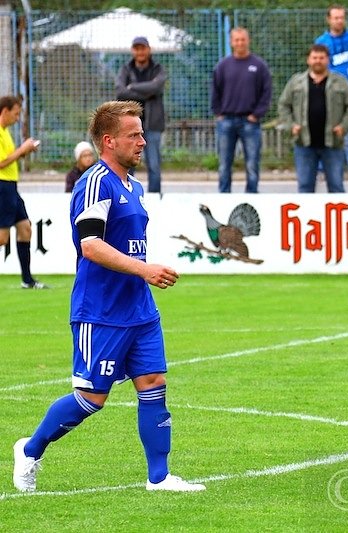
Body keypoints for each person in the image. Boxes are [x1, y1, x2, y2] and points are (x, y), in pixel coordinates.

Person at [12, 100, 205, 493]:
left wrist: (143, 275)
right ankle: (30, 449)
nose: (142, 141)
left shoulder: (134, 186)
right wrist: (145, 270)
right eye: (133, 135)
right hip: (100, 310)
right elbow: (91, 246)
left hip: (139, 309)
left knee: (153, 382)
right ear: (108, 141)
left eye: (142, 133)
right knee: (90, 399)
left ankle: (159, 477)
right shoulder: (94, 182)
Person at [278, 44, 348, 193]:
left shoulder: (340, 82)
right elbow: (283, 105)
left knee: (336, 186)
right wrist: (291, 125)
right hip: (304, 143)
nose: (318, 61)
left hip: (333, 143)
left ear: (328, 60)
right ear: (308, 60)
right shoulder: (296, 82)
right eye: (314, 58)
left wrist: (344, 127)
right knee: (305, 187)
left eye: (321, 58)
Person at [211, 27, 272, 193]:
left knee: (252, 164)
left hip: (250, 122)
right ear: (231, 42)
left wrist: (257, 114)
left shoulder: (259, 65)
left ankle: (251, 196)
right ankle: (224, 196)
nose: (240, 43)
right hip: (226, 121)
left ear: (248, 40)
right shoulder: (223, 66)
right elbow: (215, 90)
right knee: (224, 164)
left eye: (242, 39)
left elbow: (266, 92)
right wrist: (219, 113)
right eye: (236, 40)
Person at [315, 4, 348, 185]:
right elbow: (318, 68)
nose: (339, 21)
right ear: (329, 19)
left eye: (341, 17)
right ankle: (321, 169)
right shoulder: (322, 42)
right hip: (326, 96)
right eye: (336, 17)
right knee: (323, 132)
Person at [0, 94, 46, 290]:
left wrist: (24, 151)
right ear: (5, 111)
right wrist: (22, 149)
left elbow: (8, 158)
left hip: (11, 186)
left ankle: (27, 280)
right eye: (16, 114)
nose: (17, 118)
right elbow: (1, 163)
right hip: (2, 186)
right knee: (2, 238)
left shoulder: (5, 132)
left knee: (25, 228)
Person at [115, 36, 168, 193]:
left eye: (143, 48)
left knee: (154, 165)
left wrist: (132, 87)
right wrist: (147, 92)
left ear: (149, 49)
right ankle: (128, 198)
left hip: (153, 124)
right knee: (128, 164)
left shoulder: (158, 68)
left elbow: (157, 87)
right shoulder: (125, 69)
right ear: (133, 51)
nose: (140, 52)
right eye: (137, 49)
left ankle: (155, 198)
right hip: (130, 126)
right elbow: (120, 92)